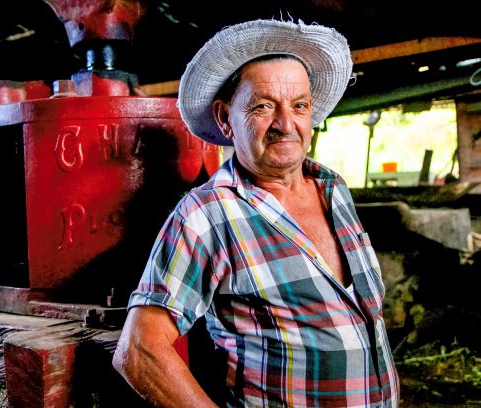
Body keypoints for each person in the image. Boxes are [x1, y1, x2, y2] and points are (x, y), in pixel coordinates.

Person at [113, 18, 399, 407]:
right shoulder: (207, 214)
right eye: (263, 106)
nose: (286, 124)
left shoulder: (334, 188)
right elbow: (138, 349)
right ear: (225, 118)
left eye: (299, 106)